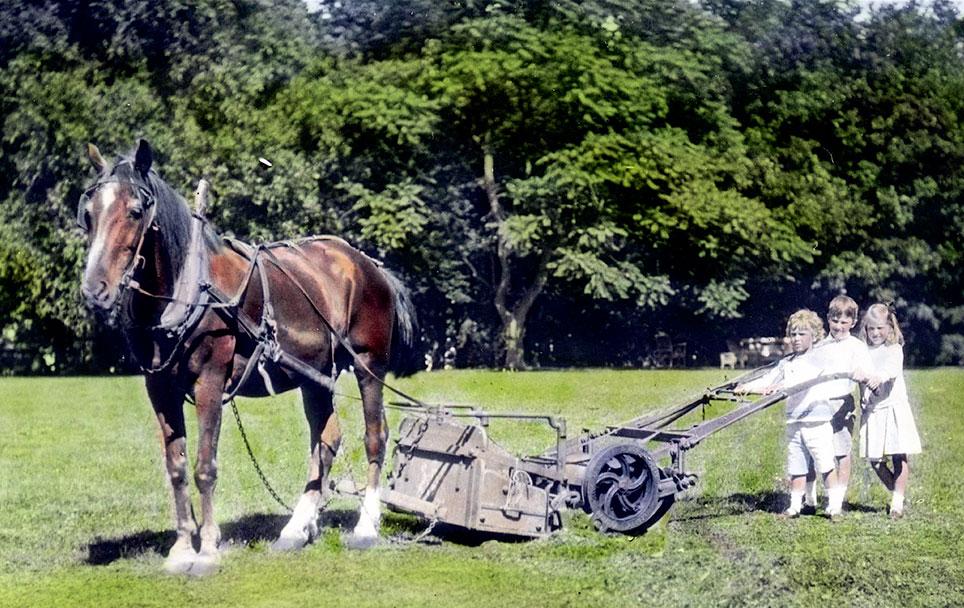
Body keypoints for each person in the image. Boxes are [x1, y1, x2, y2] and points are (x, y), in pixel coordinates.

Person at [736, 309, 845, 518]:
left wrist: (777, 388)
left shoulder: (818, 359)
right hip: (794, 420)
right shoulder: (787, 362)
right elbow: (770, 379)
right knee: (797, 464)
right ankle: (795, 506)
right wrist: (746, 387)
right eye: (793, 334)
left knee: (825, 464)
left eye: (802, 334)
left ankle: (834, 506)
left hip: (816, 420)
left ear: (814, 336)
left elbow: (797, 382)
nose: (796, 339)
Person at [807, 295, 877, 509]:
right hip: (816, 403)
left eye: (844, 322)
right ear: (828, 318)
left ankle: (836, 501)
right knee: (812, 450)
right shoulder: (819, 345)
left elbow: (869, 373)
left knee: (841, 452)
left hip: (841, 404)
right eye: (835, 321)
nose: (839, 326)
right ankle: (809, 499)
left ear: (853, 323)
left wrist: (861, 373)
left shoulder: (856, 347)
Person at [858, 303, 922, 518]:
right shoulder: (862, 351)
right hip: (873, 411)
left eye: (880, 328)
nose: (875, 333)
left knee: (898, 454)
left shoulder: (894, 349)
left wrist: (879, 377)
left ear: (890, 328)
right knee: (874, 459)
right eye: (871, 328)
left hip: (893, 407)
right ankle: (897, 491)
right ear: (865, 329)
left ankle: (897, 503)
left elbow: (891, 369)